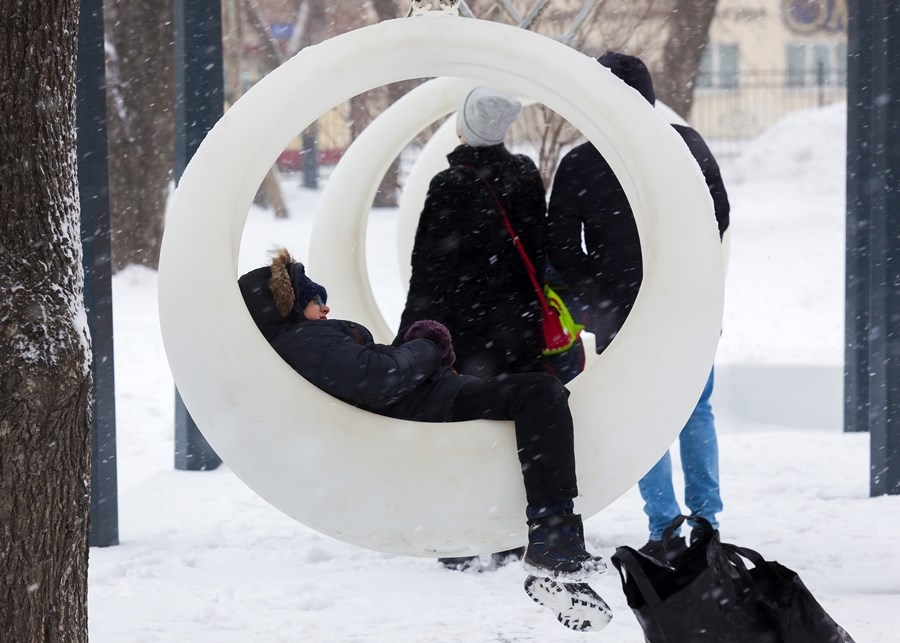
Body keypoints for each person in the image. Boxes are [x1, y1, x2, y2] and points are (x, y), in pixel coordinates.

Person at [237, 248, 612, 632]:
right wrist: (427, 346)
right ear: (291, 304)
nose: (325, 307)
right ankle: (553, 535)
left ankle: (554, 546)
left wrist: (411, 347)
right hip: (428, 407)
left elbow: (371, 374)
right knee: (540, 393)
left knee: (535, 398)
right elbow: (380, 380)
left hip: (424, 402)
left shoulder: (306, 340)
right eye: (316, 300)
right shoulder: (306, 339)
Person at [546, 52, 730, 563]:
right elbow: (718, 216)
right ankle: (707, 523)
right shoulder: (686, 145)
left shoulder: (580, 163)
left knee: (643, 415)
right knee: (695, 409)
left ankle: (663, 526)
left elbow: (561, 245)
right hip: (688, 305)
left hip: (621, 313)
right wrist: (684, 271)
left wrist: (597, 297)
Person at [397, 86, 550, 571]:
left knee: (460, 427)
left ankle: (463, 532)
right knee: (515, 426)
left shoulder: (450, 183)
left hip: (465, 330)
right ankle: (510, 529)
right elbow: (539, 250)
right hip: (518, 327)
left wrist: (411, 334)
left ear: (465, 127)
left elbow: (430, 268)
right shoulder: (525, 173)